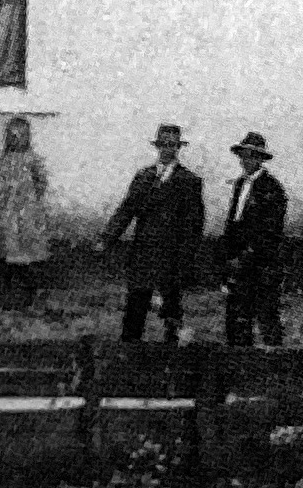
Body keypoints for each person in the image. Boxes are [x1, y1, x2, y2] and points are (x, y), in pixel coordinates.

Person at [99, 124, 206, 344]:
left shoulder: (189, 180)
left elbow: (194, 225)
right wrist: (107, 239)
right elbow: (126, 210)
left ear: (178, 147)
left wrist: (187, 257)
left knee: (171, 309)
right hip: (143, 254)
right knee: (136, 306)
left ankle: (172, 354)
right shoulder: (144, 176)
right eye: (163, 144)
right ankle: (129, 352)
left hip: (172, 256)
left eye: (172, 145)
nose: (167, 149)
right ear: (157, 146)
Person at [216, 131, 289, 347]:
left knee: (266, 316)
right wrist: (228, 257)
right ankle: (238, 359)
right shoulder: (240, 184)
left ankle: (274, 362)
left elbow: (270, 232)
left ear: (260, 159)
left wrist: (247, 256)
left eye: (251, 156)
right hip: (238, 264)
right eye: (243, 156)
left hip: (262, 265)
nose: (245, 161)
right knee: (237, 318)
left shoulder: (272, 189)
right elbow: (233, 223)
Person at [0, 117, 53, 312]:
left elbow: (41, 180)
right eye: (12, 136)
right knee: (7, 249)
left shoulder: (32, 159)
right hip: (6, 212)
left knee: (27, 251)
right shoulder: (0, 159)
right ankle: (7, 293)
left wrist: (32, 198)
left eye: (21, 136)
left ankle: (27, 293)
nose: (16, 140)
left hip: (27, 213)